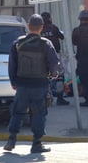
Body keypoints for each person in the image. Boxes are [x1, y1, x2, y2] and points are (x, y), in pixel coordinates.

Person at [4, 14, 61, 153]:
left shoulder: (18, 43)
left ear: (28, 26)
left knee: (17, 112)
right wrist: (54, 74)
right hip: (40, 85)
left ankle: (11, 140)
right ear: (41, 28)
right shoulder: (46, 44)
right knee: (39, 114)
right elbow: (54, 64)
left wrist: (13, 81)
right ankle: (36, 144)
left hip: (22, 85)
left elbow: (12, 65)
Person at [40, 12, 69, 106]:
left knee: (44, 77)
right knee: (59, 77)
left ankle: (45, 98)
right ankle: (60, 99)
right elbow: (62, 36)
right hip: (55, 55)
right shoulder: (54, 28)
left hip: (42, 57)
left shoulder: (39, 29)